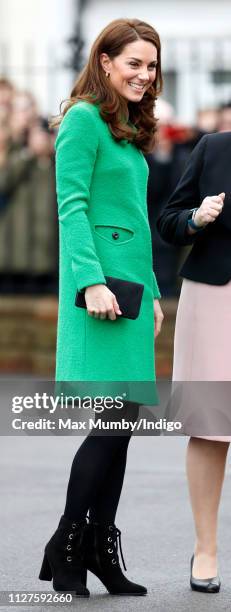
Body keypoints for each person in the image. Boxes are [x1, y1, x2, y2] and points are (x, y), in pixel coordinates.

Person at [39, 18, 164, 598]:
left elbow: (136, 223)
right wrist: (90, 282)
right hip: (103, 292)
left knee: (123, 426)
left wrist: (157, 293)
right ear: (106, 62)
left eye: (152, 64)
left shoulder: (130, 129)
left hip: (134, 292)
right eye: (135, 62)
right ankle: (67, 547)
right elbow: (72, 207)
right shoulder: (83, 121)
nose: (145, 74)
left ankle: (96, 547)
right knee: (111, 426)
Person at [157, 130, 231, 593]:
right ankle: (206, 549)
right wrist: (196, 218)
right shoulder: (215, 148)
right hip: (214, 298)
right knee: (210, 426)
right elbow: (167, 221)